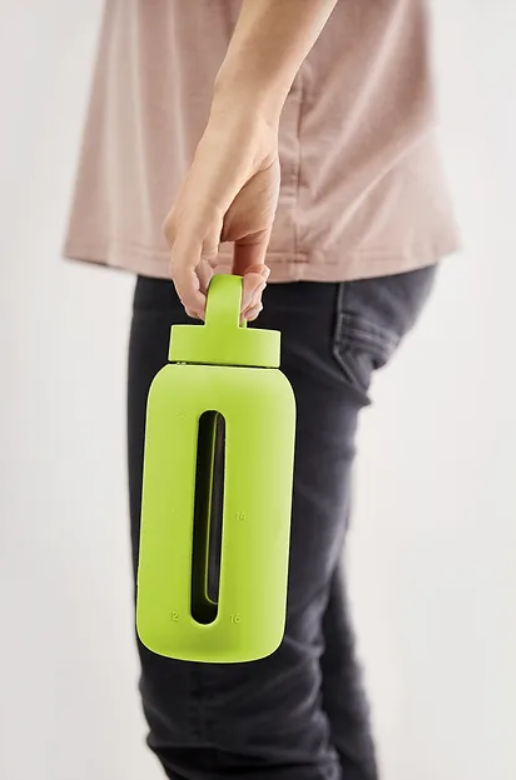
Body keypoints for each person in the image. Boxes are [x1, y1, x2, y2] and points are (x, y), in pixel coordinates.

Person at [64, 1, 458, 778]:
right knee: (286, 676)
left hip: (264, 234)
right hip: (286, 204)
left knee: (225, 709)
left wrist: (248, 110)